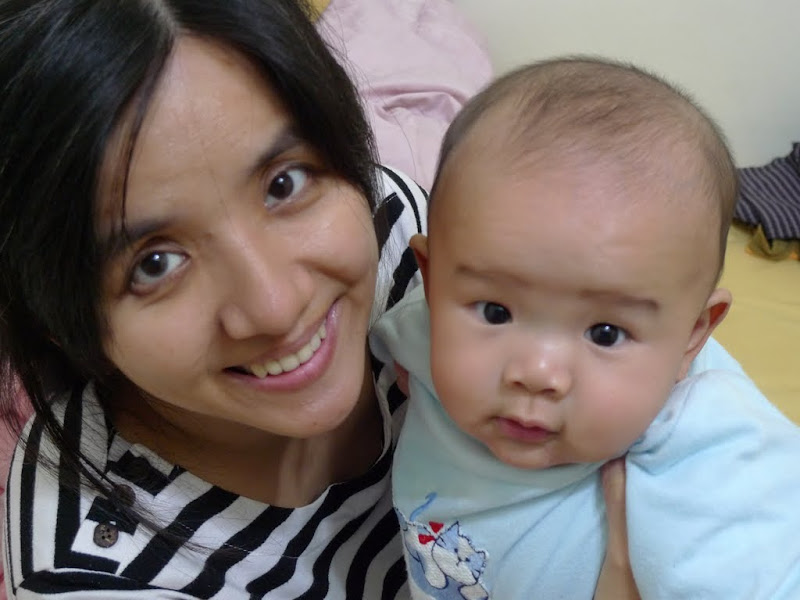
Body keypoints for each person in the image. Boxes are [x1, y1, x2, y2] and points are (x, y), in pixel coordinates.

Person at [0, 2, 636, 598]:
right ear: (58, 317)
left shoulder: (398, 241)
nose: (276, 307)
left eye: (284, 183)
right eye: (155, 264)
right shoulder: (92, 572)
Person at [371, 57, 800, 599]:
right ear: (433, 284)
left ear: (693, 336)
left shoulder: (712, 453)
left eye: (605, 334)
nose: (537, 373)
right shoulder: (420, 335)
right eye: (496, 312)